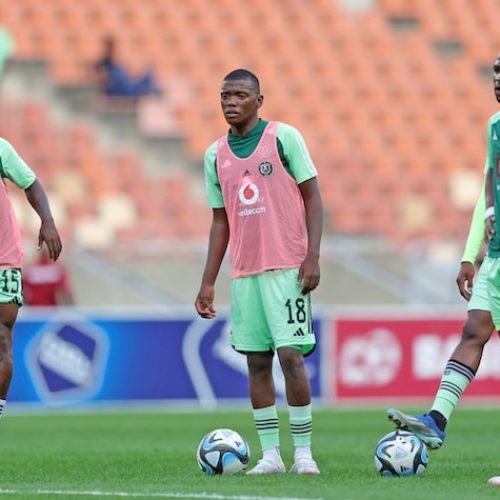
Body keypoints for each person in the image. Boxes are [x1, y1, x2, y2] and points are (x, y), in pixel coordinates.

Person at [194, 69, 323, 475]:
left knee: (291, 357)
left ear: (258, 100)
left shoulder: (283, 138)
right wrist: (208, 280)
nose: (231, 102)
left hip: (287, 267)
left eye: (240, 95)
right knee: (256, 362)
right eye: (225, 95)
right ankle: (271, 455)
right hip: (244, 272)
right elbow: (220, 221)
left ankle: (303, 453)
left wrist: (312, 255)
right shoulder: (215, 155)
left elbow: (313, 198)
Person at [386, 53, 500, 450]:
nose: (498, 79)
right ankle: (436, 420)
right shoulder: (495, 125)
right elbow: (491, 179)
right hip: (497, 257)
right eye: (496, 71)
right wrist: (471, 253)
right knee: (474, 330)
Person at [0, 137, 62, 419]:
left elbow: (31, 183)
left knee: (2, 339)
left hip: (4, 262)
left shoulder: (1, 149)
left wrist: (47, 220)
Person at [94, 36, 160, 99]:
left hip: (124, 85)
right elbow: (103, 79)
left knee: (146, 77)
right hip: (118, 88)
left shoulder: (115, 62)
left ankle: (149, 88)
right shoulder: (103, 64)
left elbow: (124, 76)